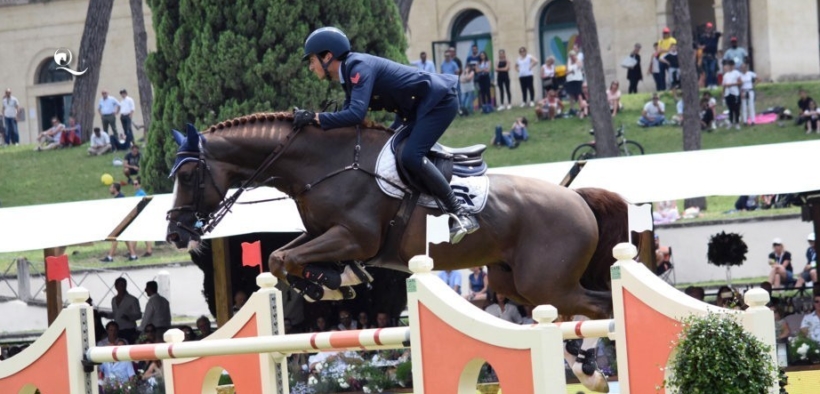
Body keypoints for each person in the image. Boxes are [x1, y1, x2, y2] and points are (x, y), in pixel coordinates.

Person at [296, 27, 478, 244]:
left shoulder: (358, 67)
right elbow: (349, 123)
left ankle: (461, 213)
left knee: (411, 156)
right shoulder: (349, 74)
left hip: (438, 102)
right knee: (386, 150)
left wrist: (315, 118)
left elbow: (355, 114)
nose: (310, 66)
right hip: (414, 110)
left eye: (312, 60)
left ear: (327, 56)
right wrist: (313, 126)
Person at [104, 277, 142, 345]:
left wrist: (129, 317)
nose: (122, 287)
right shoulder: (113, 300)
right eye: (120, 285)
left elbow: (139, 315)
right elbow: (115, 314)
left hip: (129, 330)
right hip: (117, 330)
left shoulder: (132, 299)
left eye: (124, 285)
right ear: (116, 286)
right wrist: (105, 315)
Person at [698, 22, 722, 89]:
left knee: (713, 70)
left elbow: (720, 33)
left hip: (713, 55)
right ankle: (709, 84)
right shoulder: (703, 37)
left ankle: (714, 84)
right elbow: (698, 45)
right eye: (708, 28)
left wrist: (713, 32)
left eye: (710, 28)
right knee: (707, 71)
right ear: (705, 29)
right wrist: (702, 47)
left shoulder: (715, 36)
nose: (709, 29)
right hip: (706, 55)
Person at [722, 59, 742, 130]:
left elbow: (740, 82)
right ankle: (731, 122)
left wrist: (732, 84)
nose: (730, 67)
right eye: (729, 65)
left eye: (731, 65)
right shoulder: (726, 75)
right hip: (728, 93)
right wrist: (723, 94)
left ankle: (737, 122)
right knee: (730, 109)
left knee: (736, 108)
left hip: (735, 92)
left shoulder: (736, 73)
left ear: (733, 66)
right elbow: (724, 85)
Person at [565, 51, 584, 115]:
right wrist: (569, 72)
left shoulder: (578, 61)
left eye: (573, 55)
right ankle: (572, 108)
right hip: (570, 80)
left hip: (577, 79)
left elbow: (579, 66)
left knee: (578, 93)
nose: (572, 57)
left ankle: (581, 108)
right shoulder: (569, 62)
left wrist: (576, 60)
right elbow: (566, 71)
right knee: (571, 94)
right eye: (570, 56)